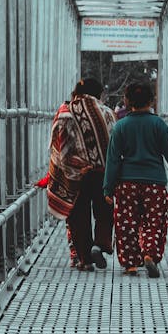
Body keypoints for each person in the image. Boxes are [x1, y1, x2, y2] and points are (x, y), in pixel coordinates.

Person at [103, 80, 168, 278]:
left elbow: (112, 160)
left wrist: (108, 188)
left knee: (126, 223)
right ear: (152, 100)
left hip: (126, 182)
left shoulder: (120, 127)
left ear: (127, 101)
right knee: (153, 222)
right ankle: (149, 254)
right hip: (154, 183)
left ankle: (130, 263)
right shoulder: (158, 125)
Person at [46, 78, 116, 271]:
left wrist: (75, 164)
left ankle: (84, 258)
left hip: (77, 174)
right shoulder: (108, 113)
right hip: (102, 172)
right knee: (104, 210)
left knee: (78, 215)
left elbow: (59, 147)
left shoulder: (65, 113)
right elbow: (114, 145)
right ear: (99, 94)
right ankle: (100, 243)